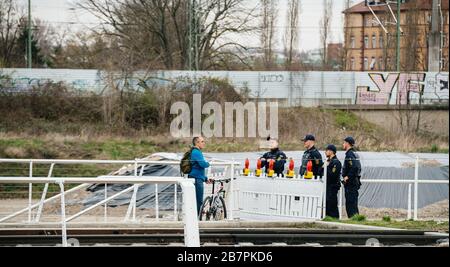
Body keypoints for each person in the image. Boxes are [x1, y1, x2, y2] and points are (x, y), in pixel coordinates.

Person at [188, 136, 211, 216]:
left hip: (197, 177)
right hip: (196, 179)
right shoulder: (196, 152)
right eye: (202, 141)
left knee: (196, 200)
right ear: (197, 143)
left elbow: (197, 168)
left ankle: (196, 216)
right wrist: (208, 163)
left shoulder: (194, 152)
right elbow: (202, 164)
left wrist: (205, 178)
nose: (204, 143)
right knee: (198, 200)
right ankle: (197, 218)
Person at [342, 136, 362, 218]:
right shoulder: (354, 153)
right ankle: (356, 220)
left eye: (344, 142)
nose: (343, 144)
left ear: (347, 143)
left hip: (351, 184)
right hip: (354, 183)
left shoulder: (350, 154)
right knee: (353, 204)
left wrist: (347, 177)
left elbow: (355, 167)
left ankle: (354, 220)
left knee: (350, 205)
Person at [325, 144, 341, 219]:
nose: (325, 152)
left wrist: (327, 167)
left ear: (332, 152)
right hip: (327, 186)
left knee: (332, 205)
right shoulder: (328, 161)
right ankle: (328, 218)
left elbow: (333, 176)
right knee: (327, 205)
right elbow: (320, 172)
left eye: (327, 150)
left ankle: (335, 218)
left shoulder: (336, 162)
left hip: (332, 187)